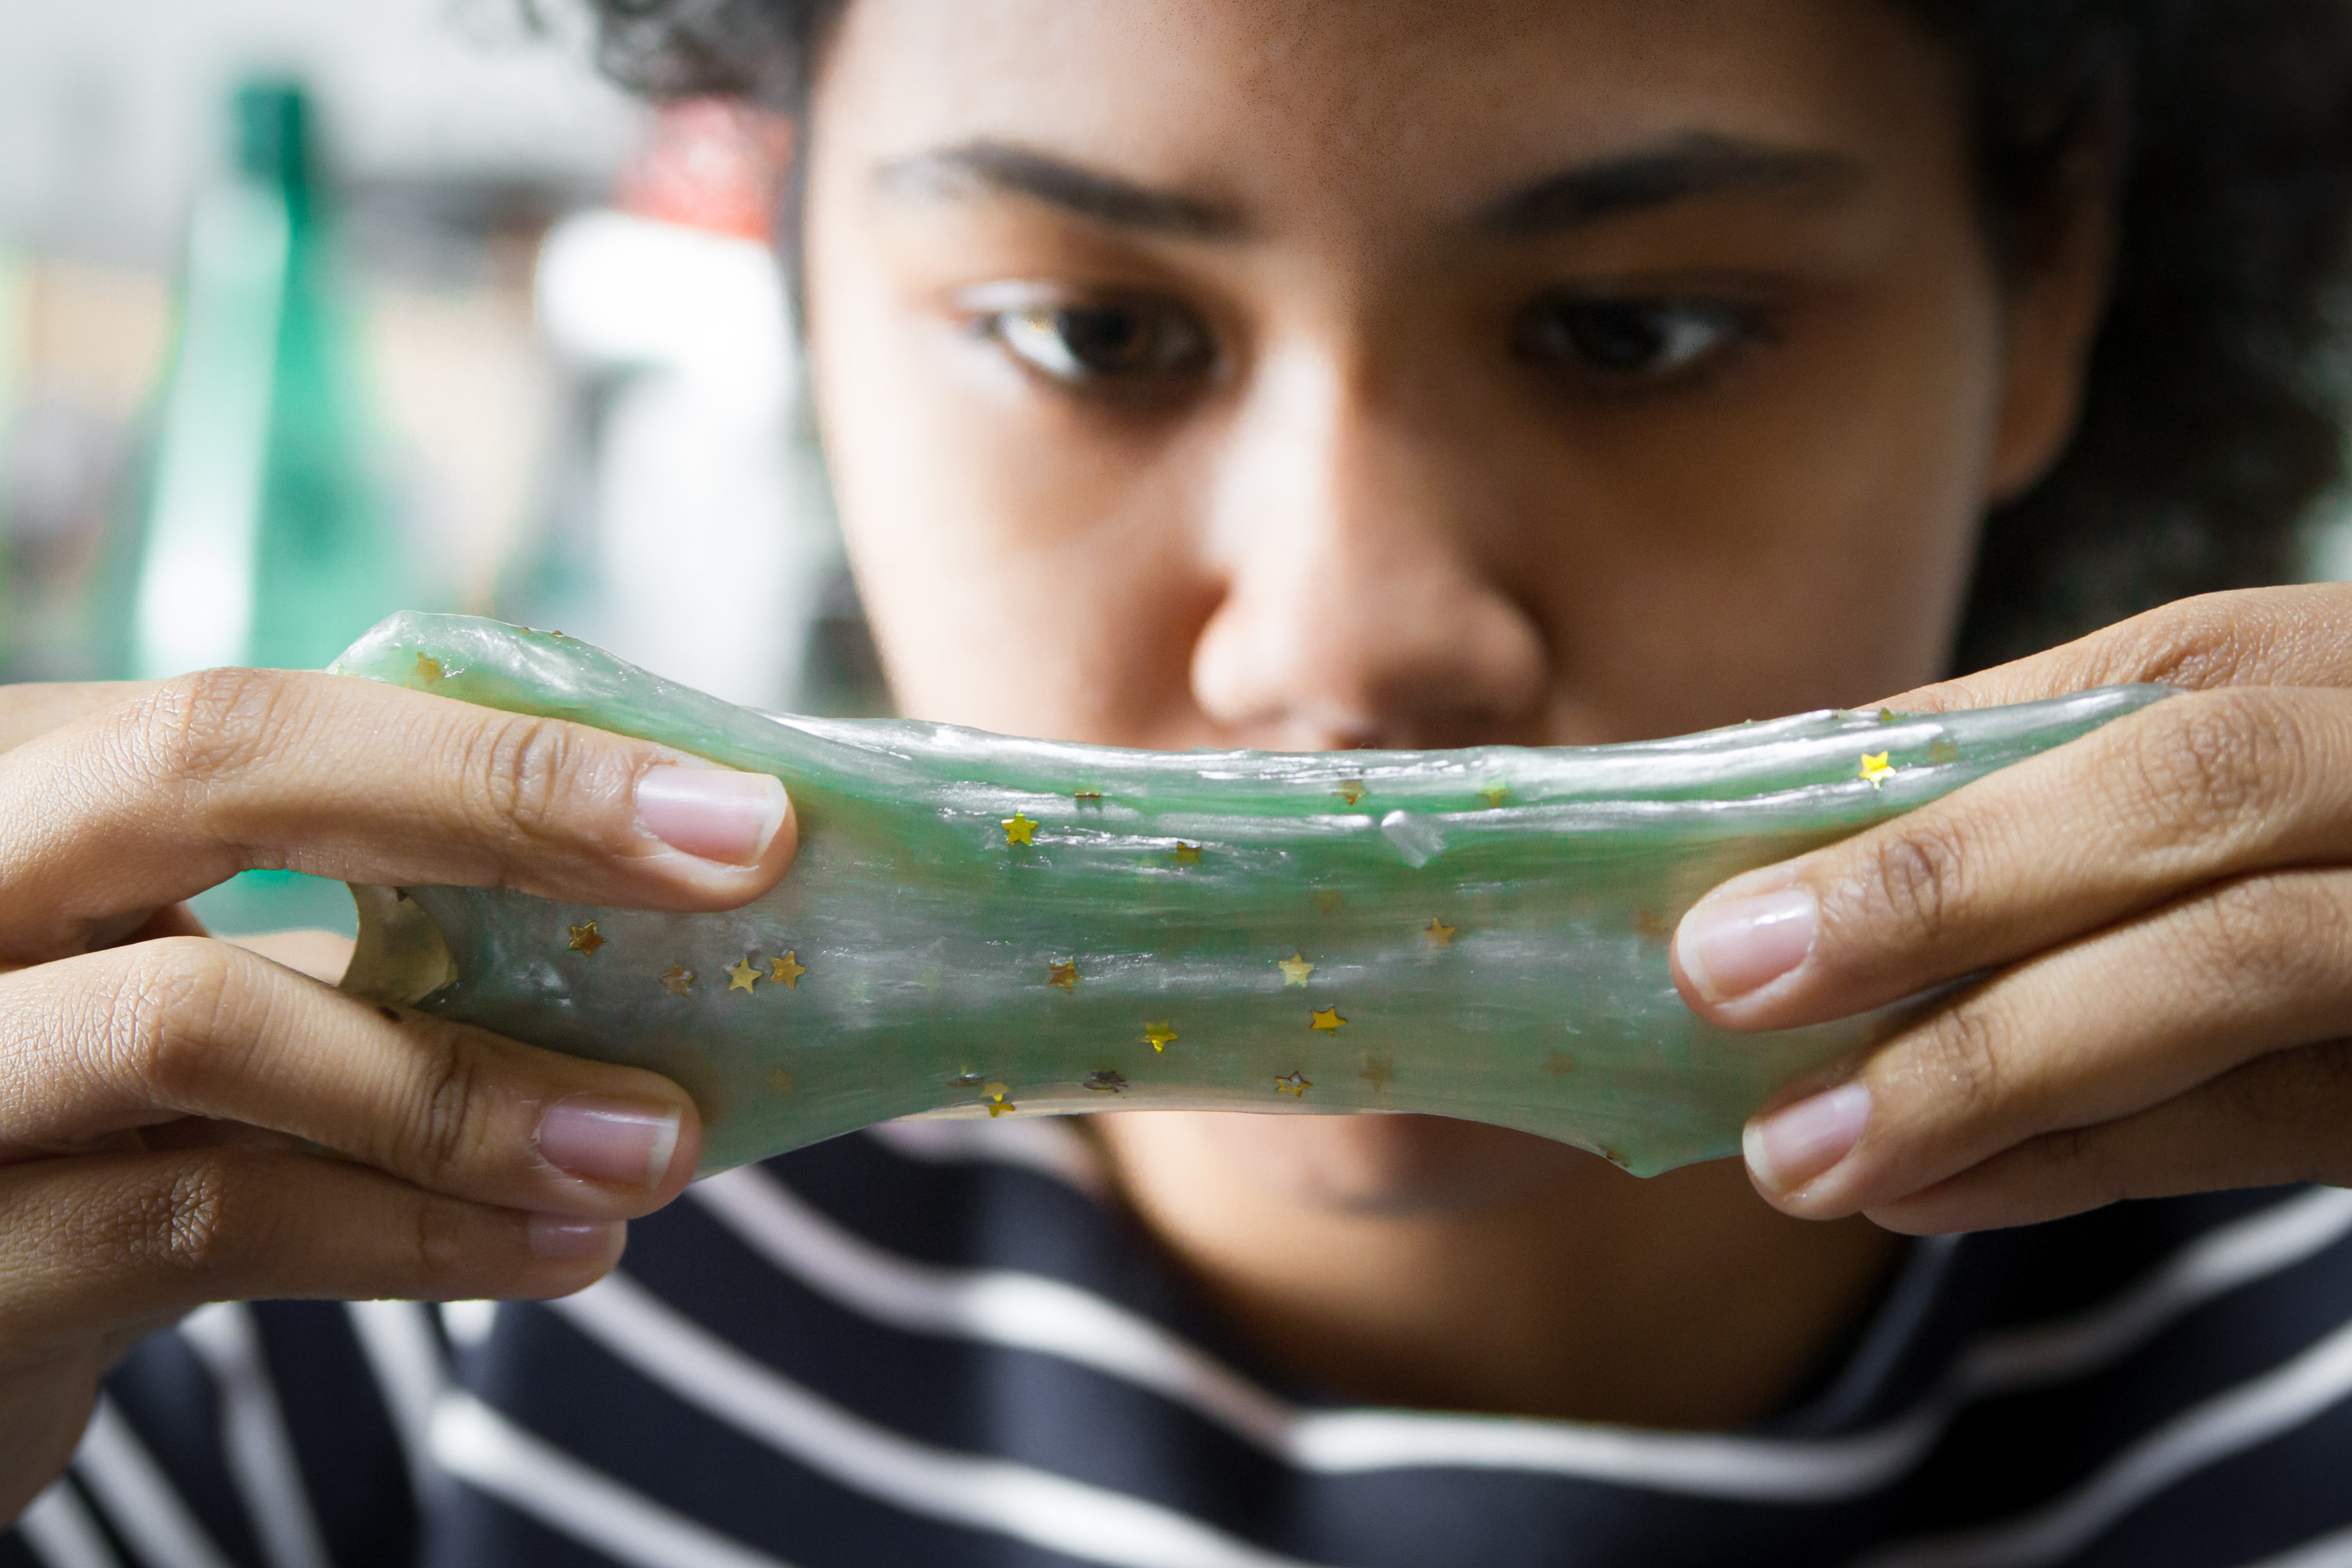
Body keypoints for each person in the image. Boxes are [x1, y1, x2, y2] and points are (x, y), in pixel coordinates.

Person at [8, 2, 2352, 1563]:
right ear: (805, 301)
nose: (1342, 638)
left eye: (1642, 331)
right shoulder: (289, 1346)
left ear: (2046, 301)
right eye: (1090, 334)